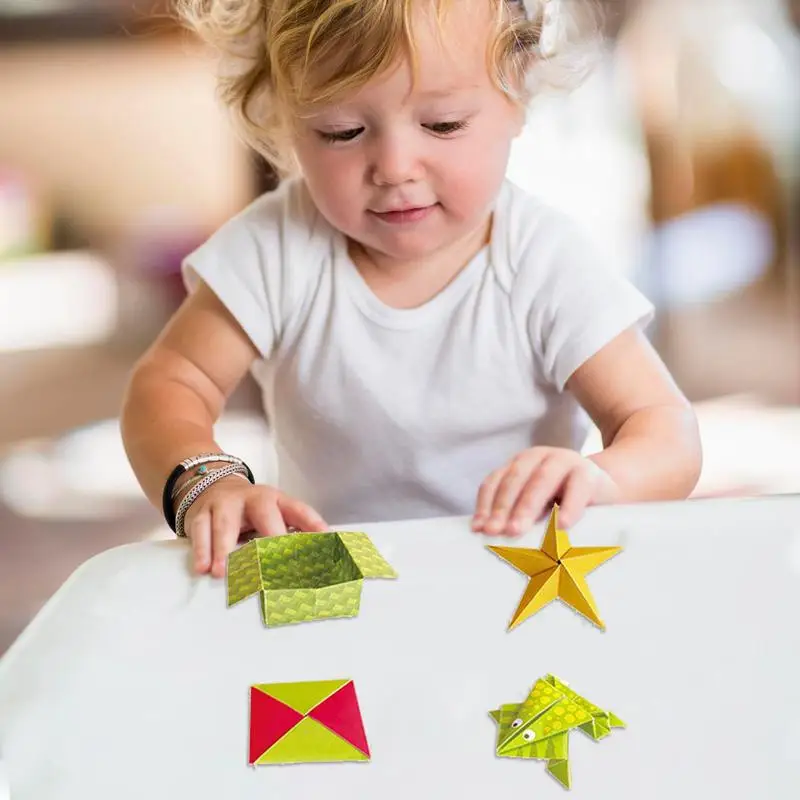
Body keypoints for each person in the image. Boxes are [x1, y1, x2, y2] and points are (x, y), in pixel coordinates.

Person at [121, 0, 702, 579]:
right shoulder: (274, 248)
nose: (395, 167)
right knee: (278, 662)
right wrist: (206, 482)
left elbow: (664, 430)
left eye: (443, 124)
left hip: (515, 571)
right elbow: (170, 384)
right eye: (341, 131)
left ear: (517, 93)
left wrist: (604, 478)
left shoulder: (544, 262)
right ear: (285, 114)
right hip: (328, 576)